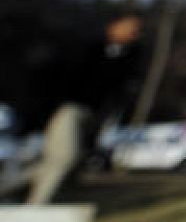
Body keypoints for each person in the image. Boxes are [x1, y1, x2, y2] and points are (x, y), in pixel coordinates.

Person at [26, 14, 145, 205]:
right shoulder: (88, 49)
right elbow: (60, 79)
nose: (134, 33)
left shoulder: (133, 57)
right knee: (65, 158)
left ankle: (17, 189)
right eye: (129, 27)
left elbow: (122, 93)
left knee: (63, 162)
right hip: (71, 110)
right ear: (113, 26)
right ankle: (36, 207)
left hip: (94, 116)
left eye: (137, 29)